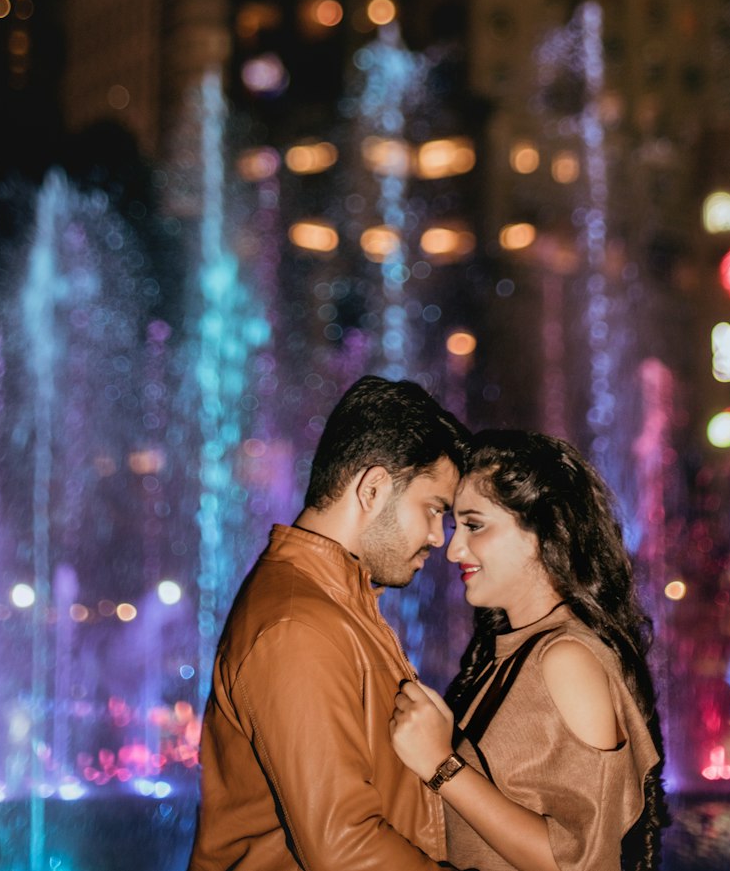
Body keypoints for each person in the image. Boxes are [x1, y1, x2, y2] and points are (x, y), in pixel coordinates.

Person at [187, 373, 473, 871]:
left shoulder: (337, 604)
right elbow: (345, 851)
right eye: (433, 510)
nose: (437, 538)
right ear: (374, 488)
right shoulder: (299, 625)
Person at [389, 429, 668, 871]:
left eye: (475, 525)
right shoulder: (512, 650)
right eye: (454, 526)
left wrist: (441, 766)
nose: (454, 548)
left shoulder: (566, 658)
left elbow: (582, 860)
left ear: (543, 532)